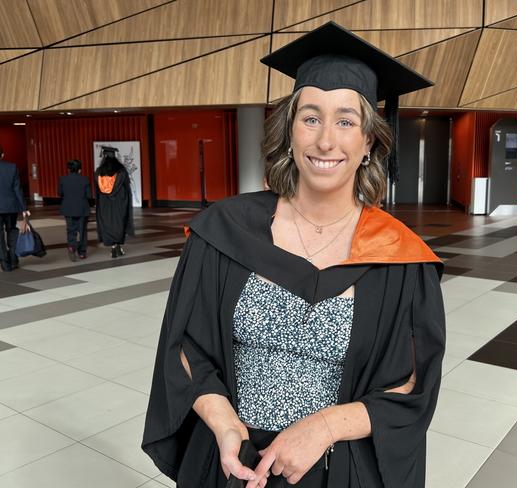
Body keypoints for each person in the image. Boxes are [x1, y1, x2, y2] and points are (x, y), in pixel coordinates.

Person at [142, 22, 445, 488]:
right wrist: (223, 421)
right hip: (232, 461)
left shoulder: (400, 257)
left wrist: (323, 428)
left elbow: (411, 386)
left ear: (368, 143)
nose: (326, 140)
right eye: (311, 117)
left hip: (337, 470)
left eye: (346, 121)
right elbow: (185, 347)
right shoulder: (224, 231)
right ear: (289, 132)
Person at [94, 155, 134, 258]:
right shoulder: (121, 171)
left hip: (104, 204)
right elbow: (127, 188)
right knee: (119, 223)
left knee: (108, 224)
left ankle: (113, 247)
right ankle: (118, 246)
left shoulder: (99, 172)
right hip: (119, 203)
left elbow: (97, 190)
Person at [0, 145, 29, 272]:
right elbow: (18, 189)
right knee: (12, 230)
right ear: (2, 154)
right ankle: (13, 258)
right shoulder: (12, 167)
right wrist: (24, 207)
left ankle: (5, 263)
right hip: (11, 206)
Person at [59, 159, 91, 261]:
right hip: (82, 208)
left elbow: (60, 193)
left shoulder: (63, 179)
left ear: (69, 169)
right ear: (80, 170)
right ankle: (82, 253)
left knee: (70, 230)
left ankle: (72, 246)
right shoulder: (85, 179)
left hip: (68, 209)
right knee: (82, 231)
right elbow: (89, 195)